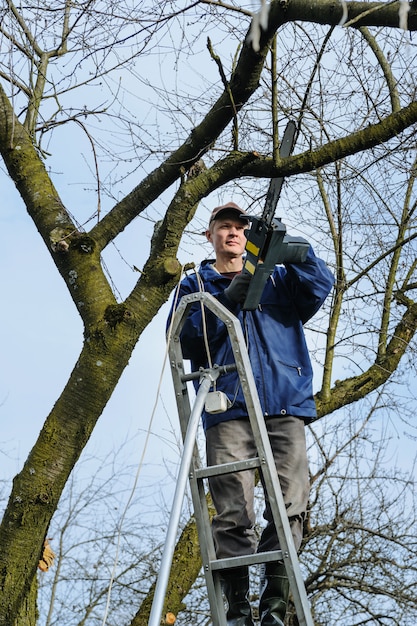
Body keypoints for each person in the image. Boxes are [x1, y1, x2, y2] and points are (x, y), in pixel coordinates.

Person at [167, 202, 334, 626]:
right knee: (232, 512)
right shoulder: (195, 284)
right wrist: (225, 300)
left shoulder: (277, 277)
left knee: (290, 503)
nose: (233, 233)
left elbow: (319, 287)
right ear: (210, 236)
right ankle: (237, 610)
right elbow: (184, 339)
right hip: (228, 409)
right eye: (223, 227)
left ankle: (276, 606)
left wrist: (293, 251)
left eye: (240, 228)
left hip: (282, 403)